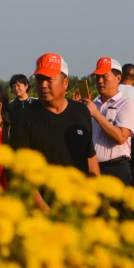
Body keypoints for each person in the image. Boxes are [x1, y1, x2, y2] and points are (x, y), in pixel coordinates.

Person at [11, 53, 100, 211]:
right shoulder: (23, 118)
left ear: (65, 82)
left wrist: (96, 198)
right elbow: (20, 172)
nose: (43, 85)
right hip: (43, 209)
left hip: (79, 206)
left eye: (49, 79)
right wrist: (44, 209)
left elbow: (90, 157)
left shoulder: (81, 112)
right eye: (39, 79)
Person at [78, 58, 134, 187]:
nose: (100, 81)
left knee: (117, 208)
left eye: (104, 76)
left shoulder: (127, 104)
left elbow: (121, 137)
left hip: (115, 169)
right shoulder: (93, 105)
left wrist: (96, 114)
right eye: (97, 77)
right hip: (93, 170)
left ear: (118, 78)